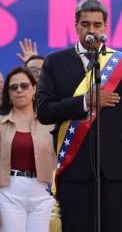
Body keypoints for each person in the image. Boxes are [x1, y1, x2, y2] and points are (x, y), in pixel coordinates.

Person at [37, 0, 122, 232]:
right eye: (85, 24)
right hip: (75, 168)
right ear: (76, 25)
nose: (92, 30)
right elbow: (44, 111)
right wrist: (84, 102)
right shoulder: (55, 62)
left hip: (119, 170)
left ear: (105, 27)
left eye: (97, 25)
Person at [0, 66, 56, 232]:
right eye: (13, 87)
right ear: (8, 94)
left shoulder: (51, 121)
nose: (19, 90)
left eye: (24, 86)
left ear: (34, 89)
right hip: (8, 191)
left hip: (44, 192)